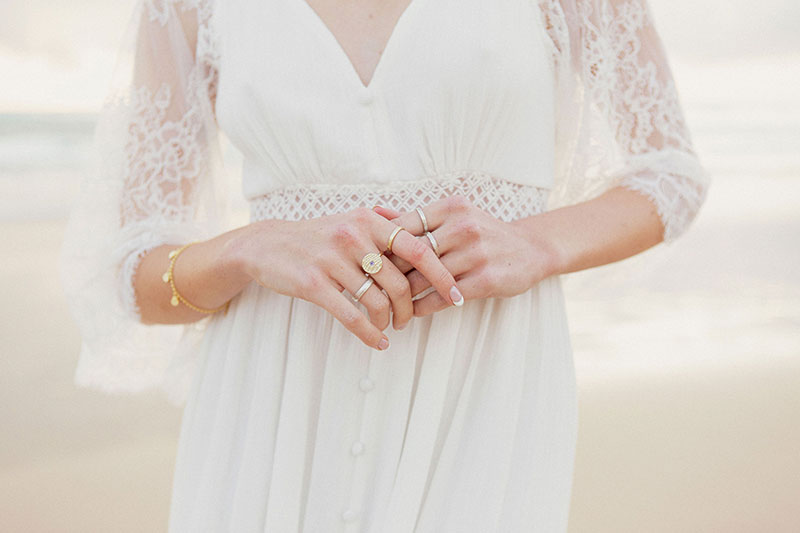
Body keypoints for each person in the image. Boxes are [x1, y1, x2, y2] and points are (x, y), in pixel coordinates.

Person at [60, 0, 710, 530]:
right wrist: (248, 247)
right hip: (272, 413)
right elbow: (137, 276)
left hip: (479, 393)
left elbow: (670, 173)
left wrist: (537, 243)